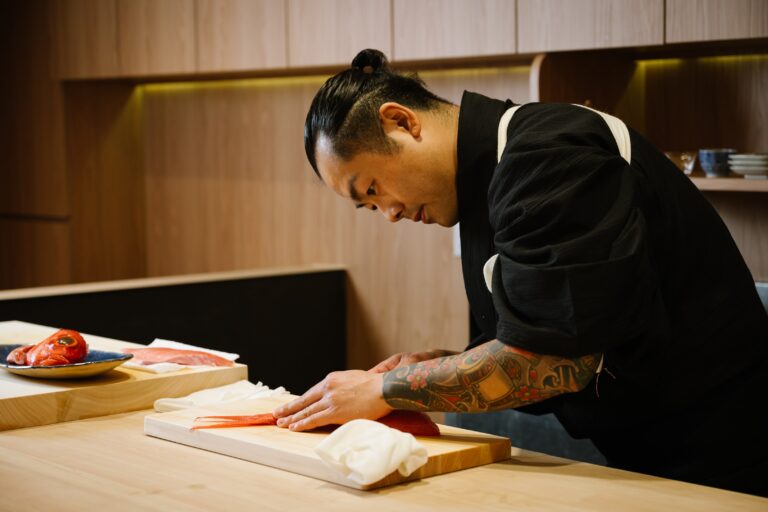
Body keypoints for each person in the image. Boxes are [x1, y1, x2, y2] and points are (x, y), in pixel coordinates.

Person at [273, 49, 768, 496]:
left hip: (726, 459)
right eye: (369, 206)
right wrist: (436, 365)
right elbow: (540, 337)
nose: (389, 213)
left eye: (374, 188)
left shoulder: (548, 156)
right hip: (646, 459)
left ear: (401, 121)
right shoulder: (487, 184)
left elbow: (558, 360)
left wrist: (383, 390)